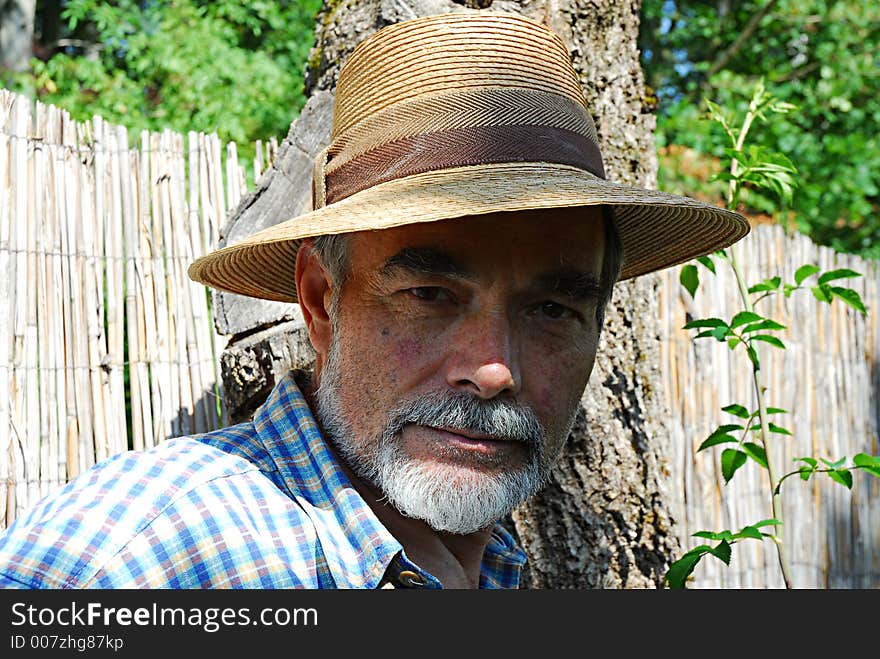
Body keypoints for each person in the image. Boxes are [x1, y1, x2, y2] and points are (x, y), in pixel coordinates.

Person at [0, 12, 747, 589]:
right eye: (429, 293)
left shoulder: (492, 567)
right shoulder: (134, 560)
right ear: (321, 302)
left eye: (552, 309)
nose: (493, 370)